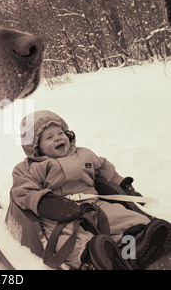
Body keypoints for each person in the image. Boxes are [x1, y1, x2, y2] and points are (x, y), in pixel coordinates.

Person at [11, 110, 171, 270]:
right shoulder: (29, 167)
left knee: (125, 219)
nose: (58, 138)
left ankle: (133, 249)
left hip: (95, 205)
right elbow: (23, 191)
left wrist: (122, 185)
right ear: (35, 147)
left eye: (60, 133)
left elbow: (105, 169)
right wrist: (46, 204)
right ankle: (92, 258)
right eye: (49, 137)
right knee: (68, 240)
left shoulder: (84, 154)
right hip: (58, 216)